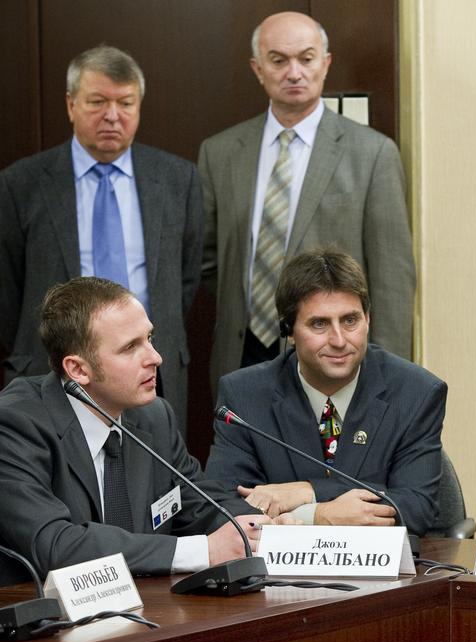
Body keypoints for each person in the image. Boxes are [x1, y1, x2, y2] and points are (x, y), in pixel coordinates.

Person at [198, 11, 415, 389]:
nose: (294, 72)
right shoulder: (220, 153)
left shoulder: (373, 153)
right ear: (257, 68)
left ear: (326, 63)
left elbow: (392, 279)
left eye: (306, 58)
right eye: (279, 60)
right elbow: (210, 262)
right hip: (243, 354)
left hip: (334, 355)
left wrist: (388, 378)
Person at [0, 278, 263, 585]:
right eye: (130, 347)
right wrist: (203, 550)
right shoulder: (15, 425)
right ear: (78, 370)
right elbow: (57, 546)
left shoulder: (154, 416)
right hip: (44, 621)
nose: (155, 358)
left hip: (148, 613)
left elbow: (199, 501)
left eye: (149, 338)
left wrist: (257, 528)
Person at [0, 46, 201, 428]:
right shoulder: (21, 184)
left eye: (125, 103)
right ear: (71, 104)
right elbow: (7, 291)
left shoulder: (178, 179)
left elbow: (185, 280)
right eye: (97, 102)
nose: (112, 116)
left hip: (151, 371)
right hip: (52, 368)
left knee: (153, 481)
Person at [206, 247, 446, 535]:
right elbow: (220, 506)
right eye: (319, 324)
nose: (339, 340)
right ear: (289, 330)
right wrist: (316, 515)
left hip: (386, 573)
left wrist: (307, 492)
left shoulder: (415, 392)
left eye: (350, 320)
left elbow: (416, 507)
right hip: (278, 574)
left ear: (367, 318)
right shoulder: (244, 395)